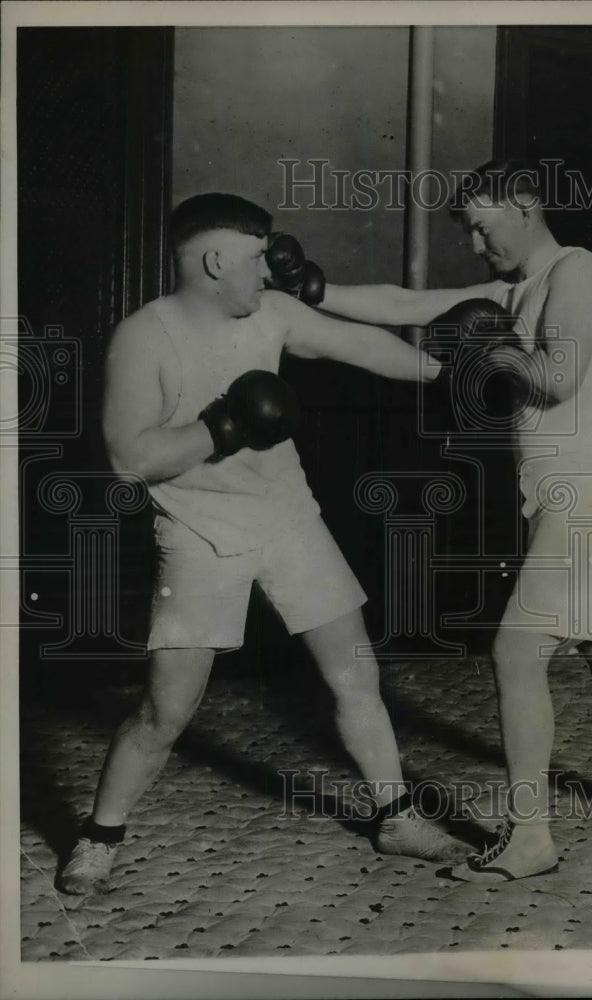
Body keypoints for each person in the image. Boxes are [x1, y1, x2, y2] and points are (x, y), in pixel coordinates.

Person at [298, 159, 592, 882]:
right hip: (581, 493)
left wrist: (488, 346)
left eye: (481, 225)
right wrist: (313, 291)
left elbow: (557, 381)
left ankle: (530, 837)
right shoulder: (515, 288)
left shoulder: (578, 272)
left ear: (525, 205)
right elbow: (409, 304)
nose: (474, 244)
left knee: (514, 651)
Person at [56, 193, 471, 896]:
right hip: (198, 532)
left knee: (355, 675)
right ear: (216, 261)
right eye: (255, 259)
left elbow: (359, 345)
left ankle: (395, 816)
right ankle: (101, 835)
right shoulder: (143, 337)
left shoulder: (271, 314)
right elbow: (130, 459)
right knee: (165, 713)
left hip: (288, 516)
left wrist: (446, 372)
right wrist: (224, 426)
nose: (267, 273)